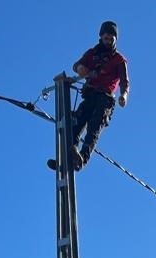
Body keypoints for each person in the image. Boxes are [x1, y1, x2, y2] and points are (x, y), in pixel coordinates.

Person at [48, 21, 130, 171]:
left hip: (105, 99)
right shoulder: (92, 54)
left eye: (111, 38)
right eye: (106, 37)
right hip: (90, 94)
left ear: (115, 39)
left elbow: (124, 81)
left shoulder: (118, 60)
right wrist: (81, 69)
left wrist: (123, 95)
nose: (108, 41)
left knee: (94, 128)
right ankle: (66, 157)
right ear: (101, 37)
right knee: (75, 124)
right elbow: (76, 65)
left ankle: (81, 159)